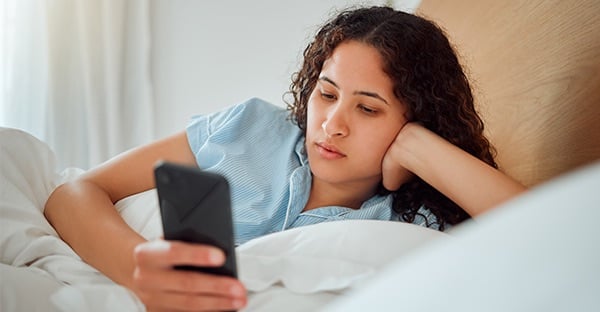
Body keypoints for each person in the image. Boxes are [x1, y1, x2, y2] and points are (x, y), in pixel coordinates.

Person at [44, 5, 526, 311]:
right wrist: (137, 270)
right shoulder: (251, 129)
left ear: (418, 119)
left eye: (368, 108)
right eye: (327, 93)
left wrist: (421, 149)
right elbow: (74, 193)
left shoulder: (413, 220)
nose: (333, 124)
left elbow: (557, 230)